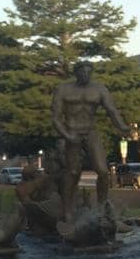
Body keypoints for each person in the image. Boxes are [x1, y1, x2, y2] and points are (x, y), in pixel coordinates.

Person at [51, 61, 130, 222]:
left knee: (102, 171)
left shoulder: (99, 89)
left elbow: (112, 111)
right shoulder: (63, 89)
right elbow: (56, 118)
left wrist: (123, 127)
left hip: (91, 131)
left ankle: (101, 208)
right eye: (82, 72)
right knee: (73, 172)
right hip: (72, 131)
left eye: (88, 72)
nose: (85, 75)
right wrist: (67, 136)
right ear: (77, 73)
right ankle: (67, 210)